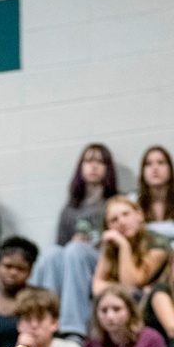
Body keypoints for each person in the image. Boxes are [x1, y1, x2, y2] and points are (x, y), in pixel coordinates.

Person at [33, 143, 118, 336]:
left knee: (75, 250)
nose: (94, 166)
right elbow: (61, 248)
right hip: (74, 261)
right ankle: (45, 321)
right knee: (52, 254)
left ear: (108, 168)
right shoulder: (70, 209)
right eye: (88, 161)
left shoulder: (113, 202)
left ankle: (74, 328)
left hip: (103, 260)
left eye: (100, 161)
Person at [91, 197, 169, 301]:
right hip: (123, 301)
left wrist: (124, 246)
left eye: (126, 214)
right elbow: (97, 286)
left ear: (139, 215)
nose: (122, 222)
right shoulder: (111, 244)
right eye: (114, 220)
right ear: (108, 227)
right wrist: (121, 288)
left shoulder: (157, 243)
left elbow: (132, 283)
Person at [137, 145, 174, 245]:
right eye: (148, 164)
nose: (155, 168)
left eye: (161, 162)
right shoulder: (135, 203)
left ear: (170, 169)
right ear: (143, 171)